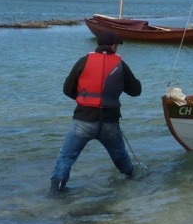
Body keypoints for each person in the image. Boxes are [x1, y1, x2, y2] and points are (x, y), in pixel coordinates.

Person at [50, 32, 142, 191]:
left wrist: (84, 100)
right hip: (109, 124)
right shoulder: (120, 64)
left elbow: (67, 89)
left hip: (83, 122)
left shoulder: (84, 61)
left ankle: (56, 194)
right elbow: (136, 91)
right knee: (121, 158)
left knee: (65, 158)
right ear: (113, 46)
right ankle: (132, 183)